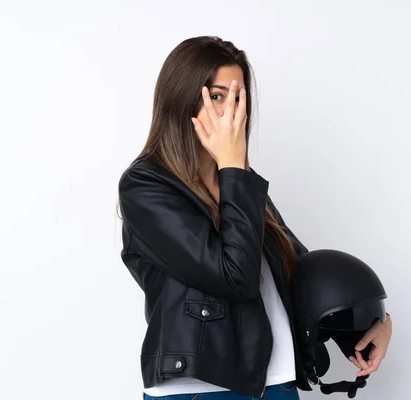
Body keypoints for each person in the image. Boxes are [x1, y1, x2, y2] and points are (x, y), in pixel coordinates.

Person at [117, 36, 392, 400]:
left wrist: (371, 327)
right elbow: (236, 276)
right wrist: (233, 168)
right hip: (200, 389)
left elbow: (295, 273)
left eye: (238, 97)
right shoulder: (144, 186)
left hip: (274, 381)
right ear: (182, 100)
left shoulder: (238, 185)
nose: (231, 110)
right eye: (216, 96)